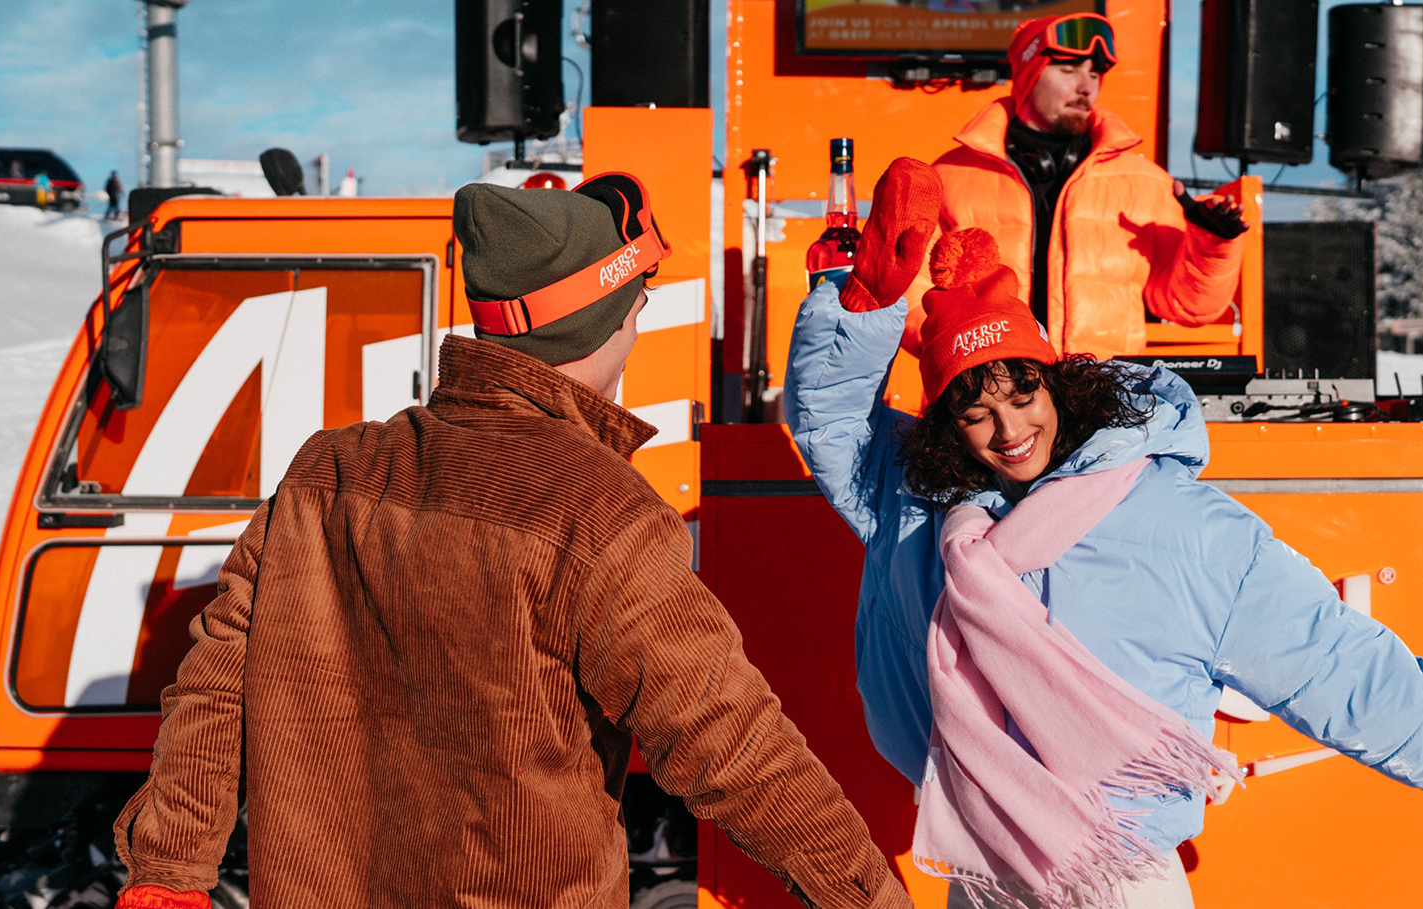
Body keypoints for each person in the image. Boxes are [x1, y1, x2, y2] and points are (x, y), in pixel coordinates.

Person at [784, 159, 1423, 909]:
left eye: (1022, 390)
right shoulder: (917, 506)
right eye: (975, 409)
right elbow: (830, 422)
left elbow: (1334, 662)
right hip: (985, 871)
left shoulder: (1179, 521)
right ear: (947, 425)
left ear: (1057, 380)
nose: (1008, 428)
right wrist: (862, 306)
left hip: (1118, 875)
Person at [111, 176, 915, 909]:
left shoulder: (326, 473)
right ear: (599, 318)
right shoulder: (600, 512)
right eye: (636, 305)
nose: (638, 326)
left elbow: (217, 691)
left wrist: (167, 874)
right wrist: (869, 896)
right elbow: (735, 746)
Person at [908, 13, 1251, 361]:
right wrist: (970, 360)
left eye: (1094, 73)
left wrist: (1211, 245)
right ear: (1028, 74)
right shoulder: (949, 176)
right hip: (992, 403)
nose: (1086, 87)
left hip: (1105, 402)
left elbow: (1188, 308)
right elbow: (908, 294)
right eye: (1068, 70)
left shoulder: (1147, 183)